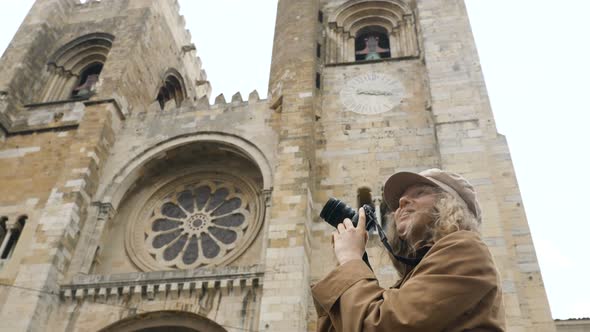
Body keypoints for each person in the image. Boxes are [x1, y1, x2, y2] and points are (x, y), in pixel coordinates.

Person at [311, 169, 506, 332]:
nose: (402, 201)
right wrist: (350, 266)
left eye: (420, 192)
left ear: (450, 205)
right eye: (397, 203)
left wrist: (350, 260)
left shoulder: (466, 249)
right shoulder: (410, 279)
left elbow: (383, 325)